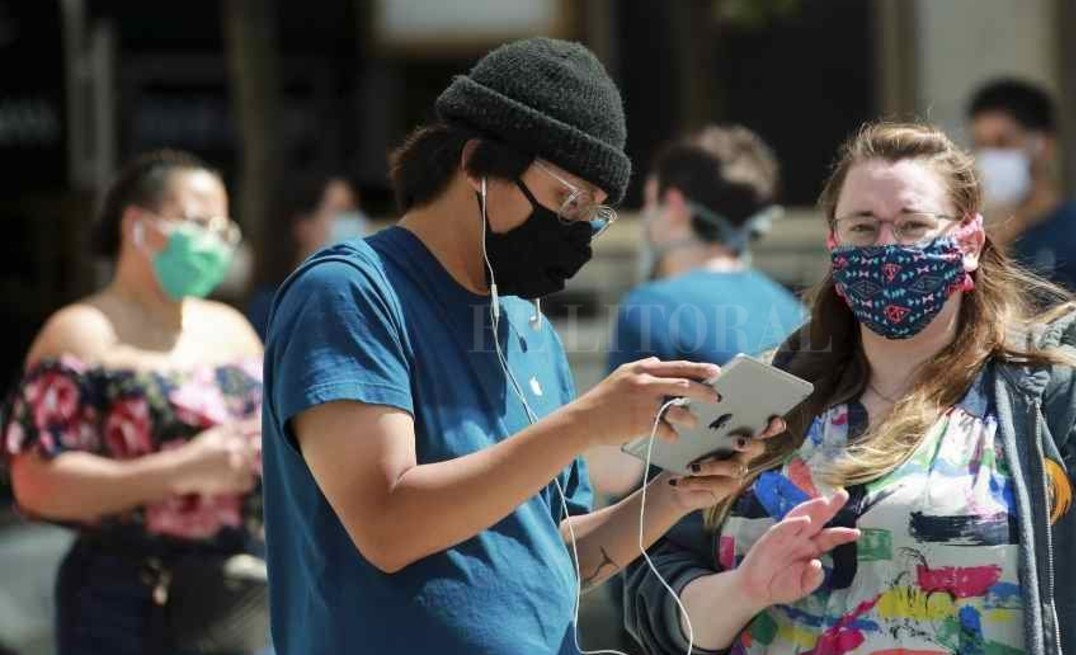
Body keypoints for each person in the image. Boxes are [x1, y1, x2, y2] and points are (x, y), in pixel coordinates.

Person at [260, 37, 780, 655]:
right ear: (477, 164)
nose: (578, 230)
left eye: (595, 213)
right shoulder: (349, 292)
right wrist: (584, 424)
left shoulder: (527, 325)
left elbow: (554, 557)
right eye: (567, 200)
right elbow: (387, 526)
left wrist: (676, 492)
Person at [624, 122, 1076, 655]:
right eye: (863, 227)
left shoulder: (1066, 407)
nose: (887, 248)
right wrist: (743, 590)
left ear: (969, 243)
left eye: (912, 226)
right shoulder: (757, 396)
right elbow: (652, 577)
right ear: (834, 244)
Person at [2, 150, 269, 654]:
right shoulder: (81, 333)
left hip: (236, 589)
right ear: (138, 227)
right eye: (198, 223)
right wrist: (181, 471)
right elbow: (35, 483)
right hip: (124, 595)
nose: (214, 242)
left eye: (224, 229)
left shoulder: (232, 329)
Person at [592, 125, 807, 497]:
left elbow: (612, 474)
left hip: (672, 531)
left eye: (650, 202)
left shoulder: (650, 307)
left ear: (675, 205)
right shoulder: (795, 311)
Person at [967, 78, 1076, 362]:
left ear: (1042, 146)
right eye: (980, 145)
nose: (989, 158)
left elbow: (1065, 335)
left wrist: (999, 254)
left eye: (1002, 143)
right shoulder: (972, 234)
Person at [245, 175, 369, 340]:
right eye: (341, 211)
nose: (352, 221)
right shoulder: (271, 306)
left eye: (352, 210)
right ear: (303, 225)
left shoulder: (365, 300)